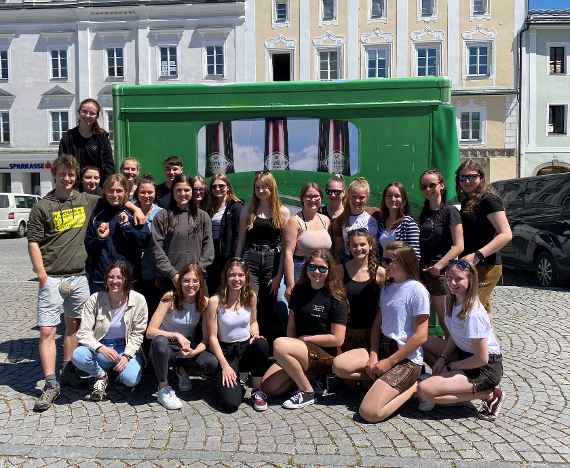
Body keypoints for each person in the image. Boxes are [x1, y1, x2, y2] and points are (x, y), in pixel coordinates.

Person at [27, 154, 99, 412]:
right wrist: (42, 275)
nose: (67, 179)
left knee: (75, 326)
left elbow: (116, 200)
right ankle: (50, 383)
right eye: (63, 174)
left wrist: (134, 209)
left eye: (71, 175)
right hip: (53, 278)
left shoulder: (85, 199)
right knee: (47, 330)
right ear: (55, 175)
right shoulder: (42, 206)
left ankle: (69, 371)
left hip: (79, 276)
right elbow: (33, 241)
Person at [332, 241, 429, 423]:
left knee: (369, 413)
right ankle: (382, 380)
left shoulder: (417, 290)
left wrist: (390, 362)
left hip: (405, 359)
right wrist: (374, 356)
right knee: (339, 366)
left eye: (388, 260)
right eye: (383, 259)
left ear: (403, 261)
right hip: (384, 350)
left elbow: (421, 335)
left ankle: (413, 388)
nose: (384, 265)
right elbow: (377, 325)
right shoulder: (387, 287)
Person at [256, 250, 348, 411]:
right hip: (299, 350)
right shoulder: (299, 290)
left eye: (322, 268)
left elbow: (338, 339)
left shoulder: (336, 297)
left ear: (329, 270)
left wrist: (306, 340)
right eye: (312, 267)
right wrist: (292, 346)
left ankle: (307, 391)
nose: (316, 272)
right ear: (306, 268)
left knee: (278, 344)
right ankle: (309, 378)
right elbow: (291, 323)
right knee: (268, 387)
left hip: (325, 355)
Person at [417, 259, 505, 420]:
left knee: (424, 391)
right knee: (423, 341)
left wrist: (451, 366)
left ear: (471, 280)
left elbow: (481, 358)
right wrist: (443, 359)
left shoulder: (474, 314)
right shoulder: (452, 300)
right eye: (449, 277)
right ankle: (451, 383)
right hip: (464, 354)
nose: (452, 282)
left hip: (485, 368)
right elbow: (455, 336)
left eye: (458, 279)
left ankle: (489, 394)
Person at [72, 261, 147, 401]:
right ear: (106, 279)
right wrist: (101, 348)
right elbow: (83, 333)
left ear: (126, 280)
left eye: (119, 277)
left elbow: (138, 334)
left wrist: (127, 356)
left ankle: (115, 377)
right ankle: (101, 375)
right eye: (111, 277)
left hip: (125, 348)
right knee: (78, 355)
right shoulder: (95, 299)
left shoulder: (139, 300)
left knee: (131, 380)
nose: (114, 281)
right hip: (101, 348)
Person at [147, 264, 218, 410]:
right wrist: (176, 335)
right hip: (164, 347)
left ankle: (181, 369)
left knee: (211, 363)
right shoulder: (169, 297)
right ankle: (163, 387)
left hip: (185, 348)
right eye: (186, 280)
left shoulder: (204, 302)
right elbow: (150, 331)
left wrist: (194, 352)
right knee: (159, 342)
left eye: (195, 281)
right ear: (180, 282)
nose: (190, 285)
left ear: (200, 282)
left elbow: (205, 340)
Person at [206, 258, 270, 413]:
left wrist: (255, 332)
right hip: (226, 352)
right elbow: (212, 337)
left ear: (246, 277)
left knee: (262, 344)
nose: (236, 279)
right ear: (225, 277)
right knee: (231, 404)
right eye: (232, 275)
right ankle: (228, 381)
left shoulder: (251, 296)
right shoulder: (215, 301)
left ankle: (257, 389)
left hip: (245, 347)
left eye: (240, 275)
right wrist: (225, 365)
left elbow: (254, 322)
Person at [235, 171, 289, 341]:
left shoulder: (283, 211)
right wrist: (236, 263)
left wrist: (279, 275)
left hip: (272, 260)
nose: (261, 190)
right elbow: (241, 239)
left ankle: (267, 344)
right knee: (251, 300)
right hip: (250, 258)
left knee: (269, 303)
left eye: (265, 186)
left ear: (272, 188)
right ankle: (249, 340)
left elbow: (286, 246)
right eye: (258, 187)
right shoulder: (248, 209)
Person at [456, 160, 512, 315]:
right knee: (481, 312)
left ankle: (475, 340)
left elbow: (506, 234)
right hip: (470, 265)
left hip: (487, 265)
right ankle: (487, 340)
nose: (466, 181)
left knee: (470, 312)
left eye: (471, 177)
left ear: (481, 177)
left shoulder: (489, 200)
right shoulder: (468, 200)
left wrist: (478, 255)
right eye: (462, 178)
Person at [85, 174, 149, 293]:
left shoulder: (133, 213)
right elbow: (88, 246)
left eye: (119, 191)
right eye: (111, 191)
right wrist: (100, 238)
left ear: (126, 192)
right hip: (101, 280)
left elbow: (144, 241)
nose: (114, 195)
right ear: (104, 191)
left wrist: (127, 227)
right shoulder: (97, 214)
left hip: (129, 278)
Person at [152, 174, 214, 293]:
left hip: (196, 280)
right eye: (178, 190)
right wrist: (173, 274)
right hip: (169, 281)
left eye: (186, 190)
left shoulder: (202, 217)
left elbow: (209, 248)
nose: (182, 193)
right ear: (172, 191)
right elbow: (157, 250)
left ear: (192, 191)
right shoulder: (161, 216)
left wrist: (197, 271)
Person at [419, 169, 464, 329]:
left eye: (432, 185)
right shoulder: (424, 213)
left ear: (442, 186)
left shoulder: (450, 211)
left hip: (441, 274)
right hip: (423, 273)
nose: (428, 189)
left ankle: (451, 354)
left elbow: (459, 245)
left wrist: (439, 265)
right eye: (424, 186)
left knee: (447, 323)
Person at [283, 182, 332, 301]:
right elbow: (288, 253)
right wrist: (290, 284)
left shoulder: (326, 220)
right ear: (302, 199)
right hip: (301, 272)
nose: (313, 199)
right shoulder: (294, 221)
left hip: (321, 272)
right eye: (309, 196)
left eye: (316, 196)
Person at [339, 229, 382, 352]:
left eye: (362, 244)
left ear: (371, 245)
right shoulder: (340, 271)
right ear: (349, 247)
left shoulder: (380, 273)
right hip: (347, 333)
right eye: (354, 245)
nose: (358, 248)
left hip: (373, 335)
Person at [58, 98, 114, 185]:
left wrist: (106, 187)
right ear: (79, 112)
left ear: (97, 116)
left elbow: (109, 166)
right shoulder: (68, 137)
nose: (87, 115)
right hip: (74, 186)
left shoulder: (102, 137)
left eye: (92, 113)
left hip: (97, 185)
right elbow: (62, 164)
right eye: (84, 111)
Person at [206, 174, 243, 295]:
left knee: (226, 291)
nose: (217, 189)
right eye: (214, 186)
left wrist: (235, 259)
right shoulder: (210, 207)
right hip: (212, 255)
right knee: (213, 290)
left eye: (221, 186)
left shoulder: (236, 206)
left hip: (227, 255)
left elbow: (238, 235)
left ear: (228, 187)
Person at [134, 175, 163, 314]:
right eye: (143, 192)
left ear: (155, 193)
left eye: (150, 192)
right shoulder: (130, 211)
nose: (146, 195)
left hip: (153, 271)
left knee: (151, 307)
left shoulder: (161, 214)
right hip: (134, 271)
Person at [333, 177, 378, 261]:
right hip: (348, 262)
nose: (357, 200)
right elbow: (337, 250)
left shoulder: (375, 215)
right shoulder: (340, 220)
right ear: (348, 195)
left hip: (371, 262)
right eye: (354, 197)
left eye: (361, 197)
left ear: (367, 197)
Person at [377, 182, 420, 259]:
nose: (393, 199)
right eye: (389, 196)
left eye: (397, 196)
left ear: (403, 200)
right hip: (383, 268)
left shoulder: (408, 223)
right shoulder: (381, 222)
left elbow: (414, 255)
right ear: (384, 199)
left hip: (400, 270)